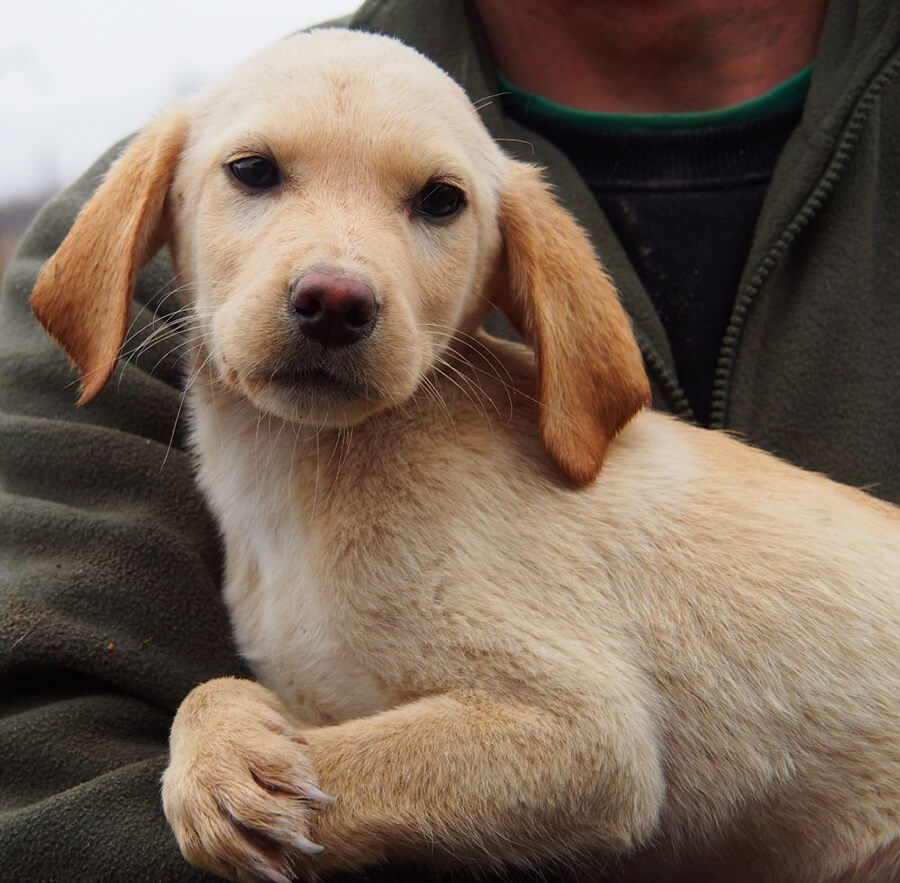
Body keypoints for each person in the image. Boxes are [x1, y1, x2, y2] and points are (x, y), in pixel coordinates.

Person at [1, 0, 897, 879]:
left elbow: (593, 756)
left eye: (435, 201)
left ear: (513, 270)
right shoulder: (245, 493)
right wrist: (220, 720)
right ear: (154, 211)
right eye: (256, 173)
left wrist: (293, 802)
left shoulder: (467, 493)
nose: (338, 280)